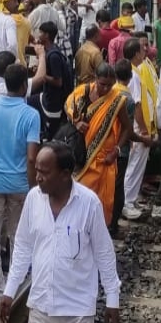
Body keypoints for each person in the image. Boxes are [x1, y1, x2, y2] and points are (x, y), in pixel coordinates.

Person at [0, 143, 121, 323]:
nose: (38, 177)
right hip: (41, 306)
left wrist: (113, 298)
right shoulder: (33, 199)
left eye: (44, 172)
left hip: (77, 310)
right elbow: (22, 248)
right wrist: (9, 291)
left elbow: (104, 253)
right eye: (36, 170)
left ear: (66, 174)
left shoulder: (88, 204)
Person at [0, 63, 41, 305]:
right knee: (19, 237)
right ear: (25, 85)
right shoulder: (30, 114)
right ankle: (14, 288)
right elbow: (32, 156)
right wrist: (34, 187)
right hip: (19, 184)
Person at [64, 62, 130, 228]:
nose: (106, 89)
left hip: (103, 159)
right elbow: (68, 106)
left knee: (99, 201)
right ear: (95, 80)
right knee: (78, 196)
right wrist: (76, 122)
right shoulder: (83, 91)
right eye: (102, 84)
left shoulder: (117, 100)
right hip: (80, 154)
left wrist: (116, 150)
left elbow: (128, 129)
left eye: (110, 85)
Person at [120, 39, 157, 221]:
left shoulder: (134, 72)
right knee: (133, 165)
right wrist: (143, 130)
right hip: (137, 127)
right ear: (136, 54)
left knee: (138, 164)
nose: (145, 52)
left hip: (139, 125)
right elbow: (137, 105)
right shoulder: (133, 75)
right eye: (142, 50)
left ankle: (132, 199)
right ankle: (126, 202)